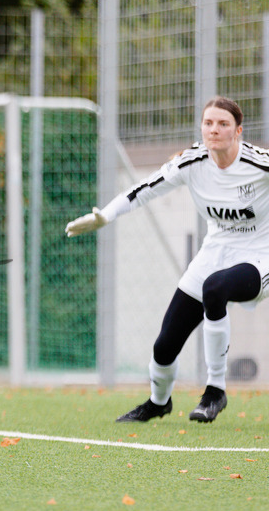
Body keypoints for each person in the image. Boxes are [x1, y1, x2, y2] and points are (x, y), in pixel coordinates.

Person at [66, 96, 269, 423]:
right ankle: (158, 402)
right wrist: (105, 216)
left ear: (238, 131)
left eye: (223, 124)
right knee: (164, 346)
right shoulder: (192, 162)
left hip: (261, 256)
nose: (214, 130)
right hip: (215, 252)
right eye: (208, 123)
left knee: (215, 288)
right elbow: (143, 189)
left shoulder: (259, 164)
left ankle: (215, 390)